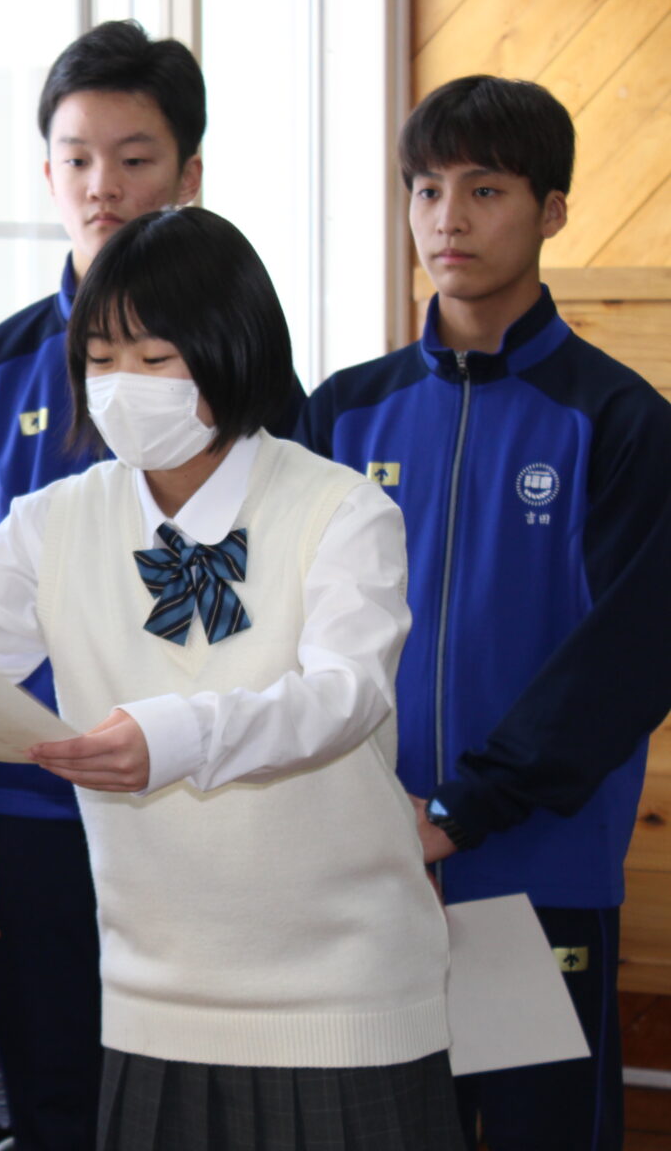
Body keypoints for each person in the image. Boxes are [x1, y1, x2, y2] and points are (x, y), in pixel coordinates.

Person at [0, 206, 459, 1149]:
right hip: (153, 996)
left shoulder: (338, 510)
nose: (119, 386)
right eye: (100, 358)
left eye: (153, 359)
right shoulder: (58, 519)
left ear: (233, 354)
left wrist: (175, 736)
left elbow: (345, 697)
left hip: (342, 995)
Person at [0, 20, 299, 1147]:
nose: (103, 187)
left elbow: (285, 610)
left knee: (208, 1098)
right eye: (77, 159)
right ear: (47, 174)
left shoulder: (256, 376)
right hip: (33, 805)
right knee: (58, 1097)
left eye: (135, 159)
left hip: (203, 807)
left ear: (189, 177)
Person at [295, 75, 671, 1151]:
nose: (447, 220)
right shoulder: (342, 412)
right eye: (425, 189)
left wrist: (464, 810)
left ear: (552, 209)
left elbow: (626, 665)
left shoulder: (621, 424)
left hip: (529, 873)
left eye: (486, 189)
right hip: (364, 871)